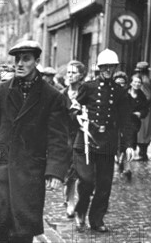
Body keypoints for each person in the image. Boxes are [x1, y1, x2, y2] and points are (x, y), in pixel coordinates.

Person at [0, 40, 68, 243]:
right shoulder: (0, 91)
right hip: (0, 168)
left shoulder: (51, 96)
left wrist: (55, 170)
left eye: (26, 58)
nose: (19, 63)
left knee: (23, 231)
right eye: (17, 59)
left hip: (30, 170)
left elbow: (58, 137)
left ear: (36, 61)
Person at [69, 48, 135, 233]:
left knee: (104, 185)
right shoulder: (88, 87)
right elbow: (74, 109)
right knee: (87, 180)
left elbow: (126, 120)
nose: (108, 70)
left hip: (107, 143)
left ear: (114, 68)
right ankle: (80, 210)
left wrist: (128, 145)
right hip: (86, 142)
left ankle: (96, 219)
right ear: (99, 68)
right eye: (104, 67)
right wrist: (77, 117)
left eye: (111, 67)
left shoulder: (120, 92)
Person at [62, 60, 87, 218]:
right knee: (70, 172)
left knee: (82, 172)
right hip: (67, 138)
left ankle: (77, 200)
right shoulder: (62, 95)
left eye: (74, 73)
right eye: (68, 72)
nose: (70, 76)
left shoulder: (86, 93)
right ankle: (70, 200)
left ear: (81, 75)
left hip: (83, 136)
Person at [120, 74, 149, 180]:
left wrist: (140, 114)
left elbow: (146, 110)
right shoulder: (124, 94)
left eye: (139, 82)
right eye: (135, 82)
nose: (137, 84)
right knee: (123, 143)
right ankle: (123, 163)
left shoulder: (142, 96)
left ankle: (127, 167)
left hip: (133, 124)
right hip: (122, 122)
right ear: (131, 83)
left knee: (130, 144)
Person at [135, 61, 151, 160]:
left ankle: (143, 154)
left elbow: (148, 96)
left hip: (145, 111)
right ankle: (142, 153)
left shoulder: (144, 81)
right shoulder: (145, 80)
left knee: (143, 132)